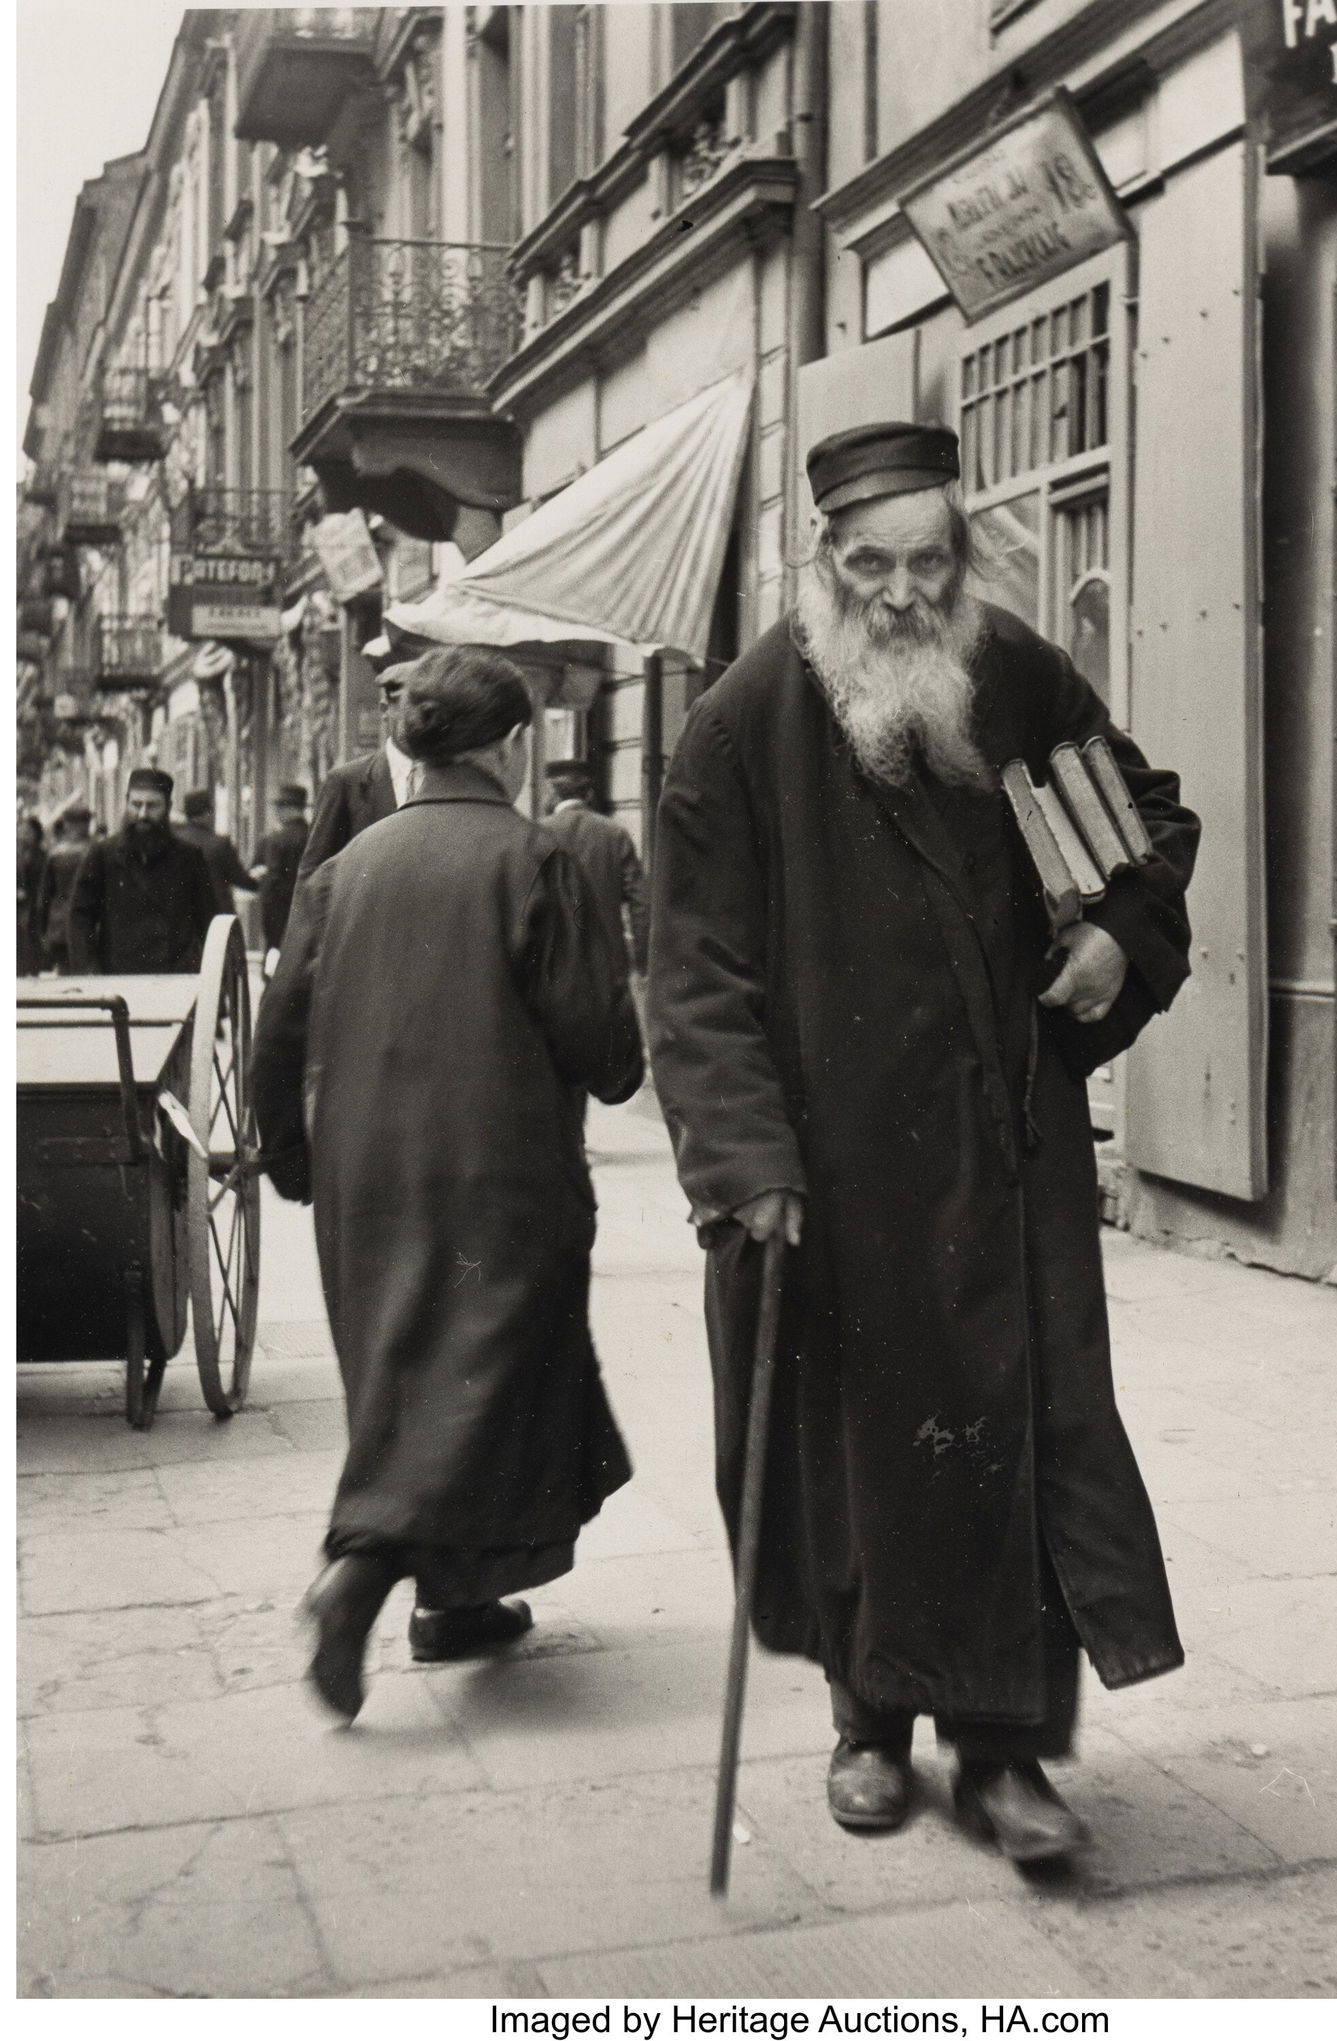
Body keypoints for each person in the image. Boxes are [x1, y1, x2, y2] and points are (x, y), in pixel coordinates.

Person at [646, 421, 1201, 1866]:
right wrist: (747, 1160)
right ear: (822, 559)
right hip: (834, 1170)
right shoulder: (744, 719)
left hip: (1004, 1145)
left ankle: (1008, 1755)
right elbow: (694, 971)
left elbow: (1142, 818)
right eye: (873, 562)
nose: (903, 592)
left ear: (966, 561)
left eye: (932, 561)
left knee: (1016, 1442)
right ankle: (868, 1724)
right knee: (857, 1459)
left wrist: (1115, 942)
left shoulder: (1015, 673)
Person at [252, 645, 645, 1724]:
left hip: (366, 1182)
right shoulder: (535, 859)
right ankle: (364, 1574)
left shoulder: (342, 871)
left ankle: (452, 1609)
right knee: (485, 1380)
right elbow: (603, 1047)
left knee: (411, 1378)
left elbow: (276, 1031)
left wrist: (294, 1161)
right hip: (503, 1179)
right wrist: (619, 1051)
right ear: (511, 746)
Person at [68, 767, 218, 975]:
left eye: (152, 806)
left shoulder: (189, 857)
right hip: (116, 980)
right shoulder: (102, 854)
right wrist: (87, 969)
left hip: (175, 979)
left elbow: (209, 920)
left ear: (168, 807)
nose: (143, 814)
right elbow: (80, 916)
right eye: (136, 804)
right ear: (127, 803)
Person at [296, 663, 417, 885]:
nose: (418, 722)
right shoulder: (347, 782)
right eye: (407, 711)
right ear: (385, 711)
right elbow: (314, 875)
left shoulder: (451, 778)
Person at [543, 762, 650, 978]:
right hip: (609, 965)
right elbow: (641, 902)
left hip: (554, 966)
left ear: (552, 793)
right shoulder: (615, 834)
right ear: (589, 794)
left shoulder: (537, 833)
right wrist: (643, 961)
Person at [174, 787, 259, 916]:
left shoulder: (171, 841)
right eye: (212, 811)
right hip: (215, 917)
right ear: (207, 813)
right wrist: (258, 882)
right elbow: (240, 879)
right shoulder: (219, 844)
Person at [250, 784, 311, 952]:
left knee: (275, 957)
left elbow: (270, 878)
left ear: (288, 809)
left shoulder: (274, 840)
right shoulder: (313, 835)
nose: (276, 812)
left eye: (279, 807)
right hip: (309, 908)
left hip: (279, 910)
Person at [36, 805, 94, 972]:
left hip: (60, 922)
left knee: (64, 970)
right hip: (89, 922)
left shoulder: (56, 854)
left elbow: (44, 896)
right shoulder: (96, 850)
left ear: (67, 824)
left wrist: (43, 929)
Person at [17, 815, 47, 974]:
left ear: (37, 834)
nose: (24, 836)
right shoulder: (15, 855)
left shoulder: (43, 857)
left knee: (33, 942)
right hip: (18, 908)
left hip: (36, 906)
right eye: (22, 831)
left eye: (28, 832)